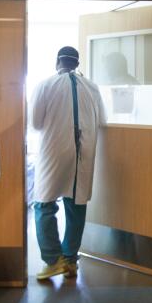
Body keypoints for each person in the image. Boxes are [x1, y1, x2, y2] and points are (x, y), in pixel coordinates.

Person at [30, 46, 106, 280]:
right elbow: (102, 120)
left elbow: (34, 122)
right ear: (77, 63)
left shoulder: (45, 85)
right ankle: (71, 260)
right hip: (83, 153)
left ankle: (53, 260)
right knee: (76, 204)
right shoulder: (92, 87)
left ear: (57, 62)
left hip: (53, 151)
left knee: (44, 204)